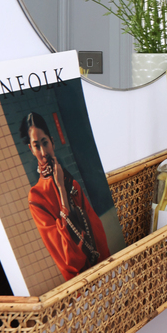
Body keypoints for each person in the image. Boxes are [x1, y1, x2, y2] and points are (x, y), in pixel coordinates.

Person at [21, 112, 110, 281]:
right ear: (31, 150)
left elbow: (98, 232)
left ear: (52, 142)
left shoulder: (73, 184)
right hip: (80, 282)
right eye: (36, 146)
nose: (43, 151)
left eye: (45, 143)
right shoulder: (36, 198)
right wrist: (61, 188)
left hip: (103, 268)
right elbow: (68, 259)